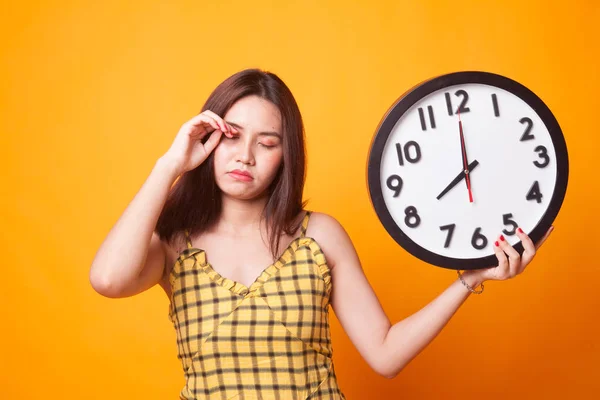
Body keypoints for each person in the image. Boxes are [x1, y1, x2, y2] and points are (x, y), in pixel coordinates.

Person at [89, 68, 555, 399]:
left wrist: (468, 280)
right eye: (231, 136)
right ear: (207, 141)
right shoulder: (175, 244)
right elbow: (108, 279)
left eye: (267, 143)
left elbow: (386, 355)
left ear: (286, 156)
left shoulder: (320, 236)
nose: (246, 156)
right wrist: (169, 165)